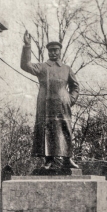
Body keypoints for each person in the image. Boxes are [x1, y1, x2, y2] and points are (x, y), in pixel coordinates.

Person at [21, 31, 80, 169]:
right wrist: (27, 46)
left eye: (56, 50)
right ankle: (48, 160)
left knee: (65, 129)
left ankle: (67, 158)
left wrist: (70, 99)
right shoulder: (42, 67)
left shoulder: (66, 69)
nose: (53, 53)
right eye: (51, 50)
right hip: (45, 103)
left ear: (60, 51)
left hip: (62, 104)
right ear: (48, 52)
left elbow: (75, 86)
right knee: (46, 129)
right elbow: (25, 65)